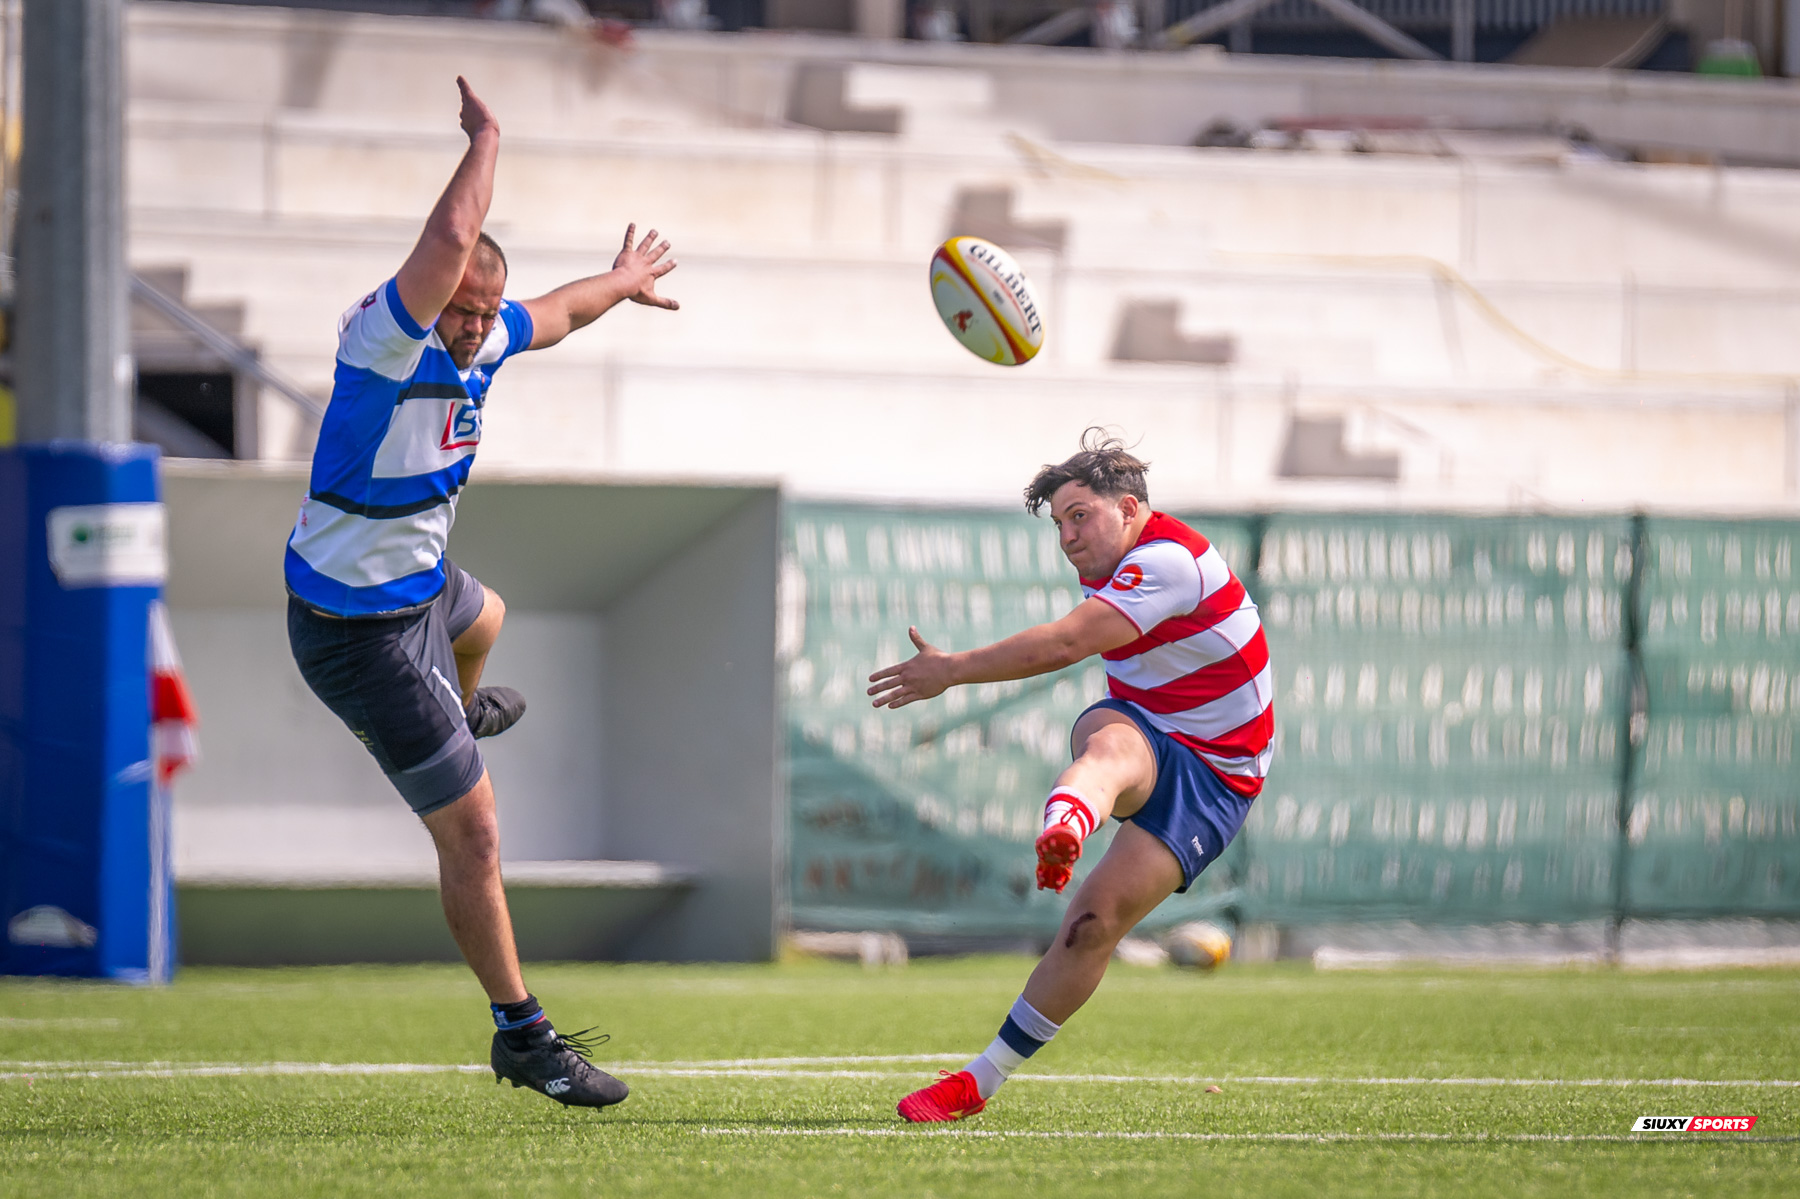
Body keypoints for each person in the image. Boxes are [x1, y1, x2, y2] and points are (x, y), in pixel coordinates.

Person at [283, 77, 678, 1110]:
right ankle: (523, 1035)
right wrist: (489, 137)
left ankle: (458, 706)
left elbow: (557, 313)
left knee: (489, 614)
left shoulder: (488, 332)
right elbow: (456, 233)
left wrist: (623, 277)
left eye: (479, 310)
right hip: (357, 631)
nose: (467, 326)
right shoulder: (386, 337)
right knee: (477, 833)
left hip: (415, 591)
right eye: (455, 306)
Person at [867, 430, 1273, 1122]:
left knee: (1090, 925)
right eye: (1059, 523)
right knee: (1109, 747)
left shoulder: (1169, 561)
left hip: (1219, 774)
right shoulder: (1111, 561)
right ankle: (1065, 827)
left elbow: (1065, 642)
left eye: (1080, 515)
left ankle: (982, 1076)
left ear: (1131, 508)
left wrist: (952, 670)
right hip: (1145, 730)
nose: (1068, 536)